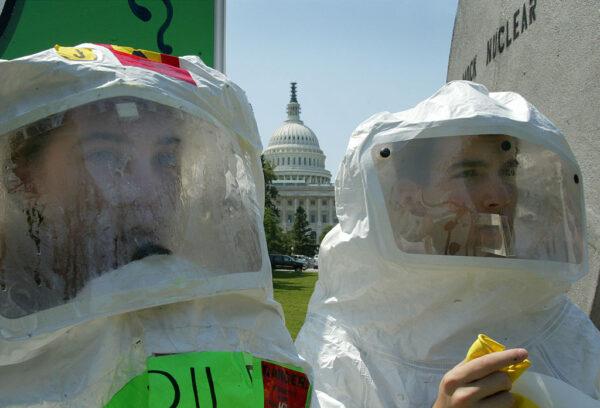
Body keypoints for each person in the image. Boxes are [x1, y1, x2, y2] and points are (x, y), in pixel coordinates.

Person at [0, 44, 310, 407]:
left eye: (166, 158)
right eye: (105, 155)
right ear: (22, 178)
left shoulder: (232, 325)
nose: (146, 193)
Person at [295, 81, 600, 407]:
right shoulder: (343, 345)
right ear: (408, 198)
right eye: (470, 173)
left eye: (508, 172)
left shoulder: (562, 324)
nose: (499, 196)